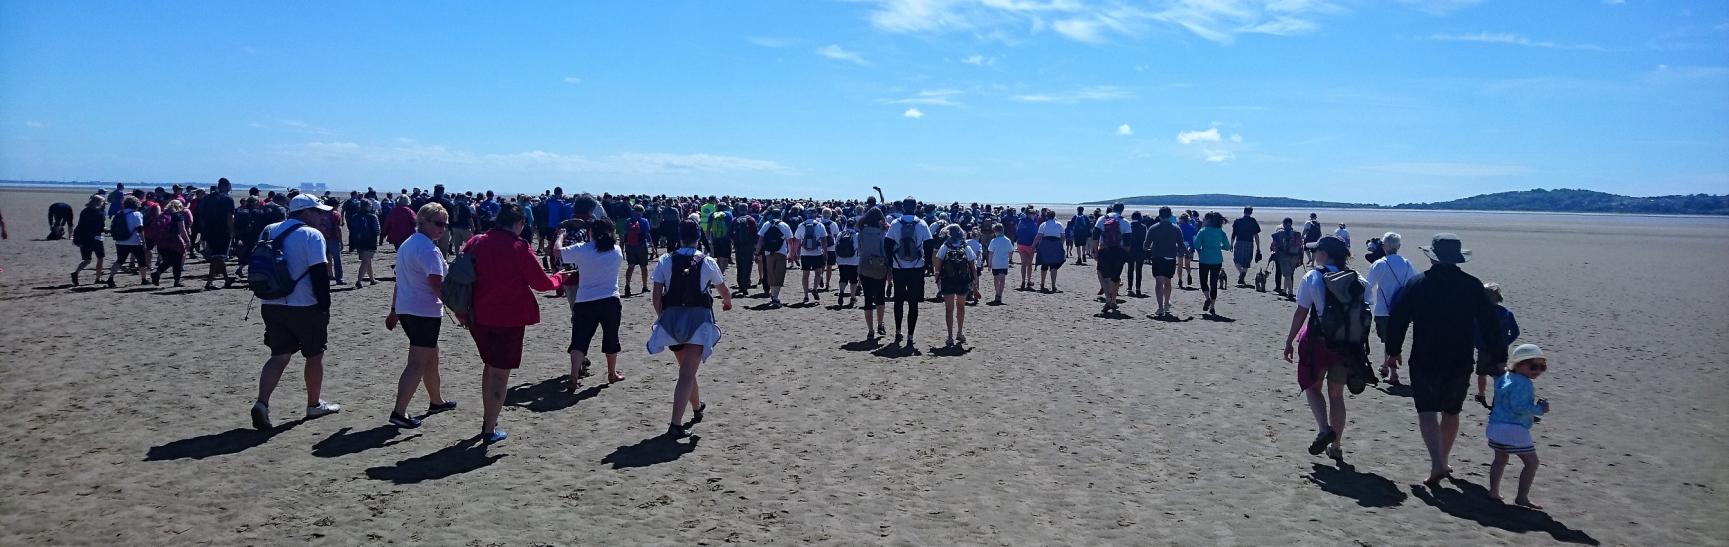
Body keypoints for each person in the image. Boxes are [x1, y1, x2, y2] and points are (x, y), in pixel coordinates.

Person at [1383, 233, 1507, 487]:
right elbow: (1490, 324)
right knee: (1451, 411)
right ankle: (1443, 459)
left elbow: (1398, 319)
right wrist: (1499, 357)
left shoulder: (1418, 284)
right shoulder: (1472, 285)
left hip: (1425, 356)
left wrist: (1393, 351)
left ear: (1433, 257)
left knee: (1427, 410)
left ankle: (1437, 463)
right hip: (1459, 357)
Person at [462, 203, 566, 443]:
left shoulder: (477, 241)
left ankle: (490, 417)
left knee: (489, 366)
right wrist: (560, 278)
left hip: (478, 315)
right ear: (518, 223)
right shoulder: (518, 246)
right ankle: (489, 428)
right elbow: (542, 284)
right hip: (507, 318)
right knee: (499, 372)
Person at [250, 194, 342, 430]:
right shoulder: (311, 235)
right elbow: (319, 274)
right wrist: (325, 306)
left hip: (271, 302)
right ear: (305, 213)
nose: (322, 217)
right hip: (305, 305)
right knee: (314, 355)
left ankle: (262, 403)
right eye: (318, 212)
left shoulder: (269, 230)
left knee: (279, 355)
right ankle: (313, 404)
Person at [647, 220, 733, 438]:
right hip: (698, 320)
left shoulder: (666, 260)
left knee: (687, 369)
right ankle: (675, 424)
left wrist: (662, 318)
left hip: (672, 320)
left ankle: (696, 407)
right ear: (698, 237)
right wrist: (727, 303)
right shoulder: (707, 261)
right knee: (687, 372)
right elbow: (723, 289)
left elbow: (656, 295)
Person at [1281, 235, 1361, 461]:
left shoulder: (1313, 276)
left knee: (1313, 388)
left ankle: (1324, 429)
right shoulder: (1355, 278)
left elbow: (1301, 312)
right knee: (1337, 395)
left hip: (1317, 340)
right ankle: (1336, 446)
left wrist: (1289, 341)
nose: (1314, 255)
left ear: (1323, 254)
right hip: (1345, 343)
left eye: (1316, 251)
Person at [384, 203, 457, 429]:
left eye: (445, 225)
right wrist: (458, 310)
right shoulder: (427, 249)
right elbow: (436, 284)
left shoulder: (408, 244)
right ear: (423, 221)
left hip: (409, 308)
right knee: (417, 362)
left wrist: (394, 310)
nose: (442, 229)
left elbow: (400, 280)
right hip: (423, 311)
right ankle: (399, 411)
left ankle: (436, 400)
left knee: (431, 355)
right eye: (437, 224)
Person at [559, 217, 628, 387]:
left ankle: (574, 376)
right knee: (611, 337)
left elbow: (557, 252)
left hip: (585, 300)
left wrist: (560, 235)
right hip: (610, 299)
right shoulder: (616, 250)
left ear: (591, 233)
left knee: (579, 339)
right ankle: (612, 373)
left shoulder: (583, 249)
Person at [1486, 343, 1551, 509]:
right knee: (1532, 463)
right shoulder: (1523, 383)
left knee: (1500, 459)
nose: (1537, 370)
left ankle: (1493, 491)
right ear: (1518, 365)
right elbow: (1519, 407)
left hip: (1496, 425)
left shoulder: (1505, 378)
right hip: (1513, 429)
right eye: (1533, 366)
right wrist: (1540, 409)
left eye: (1542, 367)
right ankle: (1522, 497)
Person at [1364, 232, 1417, 384]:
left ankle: (1392, 372)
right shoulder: (1407, 263)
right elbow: (1414, 283)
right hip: (1403, 309)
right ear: (1398, 246)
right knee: (1394, 339)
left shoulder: (1380, 264)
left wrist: (1365, 302)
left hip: (1383, 308)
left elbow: (1368, 286)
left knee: (1388, 339)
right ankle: (1386, 366)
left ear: (1384, 246)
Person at [885, 198, 932, 348]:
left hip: (899, 267)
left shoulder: (895, 223)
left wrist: (890, 262)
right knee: (913, 303)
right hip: (916, 267)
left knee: (898, 301)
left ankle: (898, 331)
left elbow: (887, 244)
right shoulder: (922, 224)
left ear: (904, 208)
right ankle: (910, 336)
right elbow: (929, 244)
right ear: (916, 207)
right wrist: (927, 264)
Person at [1474, 282, 1521, 408]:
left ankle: (1481, 393)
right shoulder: (1506, 312)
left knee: (1482, 373)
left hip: (1485, 350)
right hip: (1501, 349)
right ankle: (1498, 397)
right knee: (1500, 375)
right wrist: (1506, 342)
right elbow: (1515, 332)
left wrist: (1478, 344)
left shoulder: (1478, 314)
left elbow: (1474, 331)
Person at [935, 225, 977, 347]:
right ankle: (960, 332)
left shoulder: (944, 247)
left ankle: (949, 336)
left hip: (948, 281)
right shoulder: (966, 247)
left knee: (949, 309)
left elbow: (937, 267)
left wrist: (938, 281)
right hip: (963, 281)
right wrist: (975, 285)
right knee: (961, 307)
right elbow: (973, 268)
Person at [855, 207, 891, 338]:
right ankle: (880, 324)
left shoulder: (862, 232)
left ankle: (870, 330)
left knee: (867, 299)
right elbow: (885, 251)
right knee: (880, 297)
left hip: (864, 266)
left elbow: (860, 249)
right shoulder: (882, 233)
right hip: (879, 266)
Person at [1090, 203, 1132, 314]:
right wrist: (1125, 255)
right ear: (1122, 210)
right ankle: (1113, 300)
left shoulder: (1102, 219)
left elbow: (1095, 237)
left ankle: (1108, 297)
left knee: (1102, 274)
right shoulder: (1125, 222)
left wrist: (1095, 251)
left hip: (1104, 250)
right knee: (1116, 276)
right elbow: (1128, 242)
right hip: (1119, 251)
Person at [199, 178, 237, 290]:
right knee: (218, 256)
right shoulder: (228, 199)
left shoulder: (207, 198)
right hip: (222, 231)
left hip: (209, 230)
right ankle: (211, 282)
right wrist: (232, 231)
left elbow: (202, 217)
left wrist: (204, 232)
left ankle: (225, 280)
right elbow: (230, 217)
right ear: (226, 186)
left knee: (218, 256)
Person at [1146, 207, 1182, 318]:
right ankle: (1166, 303)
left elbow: (1146, 244)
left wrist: (1150, 248)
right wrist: (1187, 252)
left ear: (1159, 215)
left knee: (1158, 282)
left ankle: (1160, 307)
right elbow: (1181, 244)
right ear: (1170, 215)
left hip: (1158, 257)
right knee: (1168, 281)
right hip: (1170, 258)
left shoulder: (1153, 228)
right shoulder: (1176, 228)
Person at [105, 196, 148, 287]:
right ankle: (144, 279)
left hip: (120, 241)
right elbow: (140, 229)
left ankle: (110, 278)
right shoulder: (137, 214)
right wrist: (143, 242)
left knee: (120, 260)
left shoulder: (119, 213)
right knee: (141, 261)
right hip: (135, 241)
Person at [1193, 212, 1231, 315]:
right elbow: (1227, 246)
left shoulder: (1203, 231)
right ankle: (1212, 307)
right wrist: (1219, 247)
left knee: (1203, 281)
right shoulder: (1220, 232)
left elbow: (1196, 244)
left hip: (1204, 259)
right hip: (1217, 260)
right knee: (1213, 283)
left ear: (1208, 220)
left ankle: (1207, 298)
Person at [148, 200, 192, 287]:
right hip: (174, 240)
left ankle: (157, 273)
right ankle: (176, 281)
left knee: (168, 260)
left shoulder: (162, 215)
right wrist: (187, 240)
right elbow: (182, 230)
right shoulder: (178, 215)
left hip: (161, 241)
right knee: (177, 261)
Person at [755, 211, 794, 307]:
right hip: (781, 252)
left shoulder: (766, 224)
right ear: (780, 215)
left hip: (768, 252)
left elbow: (760, 239)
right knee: (779, 274)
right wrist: (791, 253)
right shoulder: (784, 225)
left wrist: (757, 253)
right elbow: (790, 241)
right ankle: (775, 296)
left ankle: (773, 294)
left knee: (770, 273)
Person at [71, 195, 108, 286]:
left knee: (86, 260)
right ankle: (98, 278)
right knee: (100, 258)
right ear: (99, 202)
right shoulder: (99, 213)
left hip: (83, 238)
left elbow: (81, 225)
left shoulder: (84, 211)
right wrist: (106, 230)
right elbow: (101, 227)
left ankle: (76, 273)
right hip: (96, 238)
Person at [796, 213, 830, 305]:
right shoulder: (820, 225)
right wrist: (825, 253)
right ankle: (815, 289)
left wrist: (796, 253)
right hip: (817, 252)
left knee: (805, 275)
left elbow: (797, 240)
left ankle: (806, 295)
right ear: (815, 215)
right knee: (818, 273)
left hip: (805, 253)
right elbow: (824, 241)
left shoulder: (801, 225)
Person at [621, 205, 654, 296]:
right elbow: (647, 234)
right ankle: (644, 286)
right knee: (643, 267)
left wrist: (623, 246)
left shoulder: (628, 221)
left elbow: (625, 234)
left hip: (630, 246)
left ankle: (627, 286)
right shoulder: (644, 221)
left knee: (630, 266)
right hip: (641, 246)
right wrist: (652, 246)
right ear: (642, 212)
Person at [349, 200, 381, 287]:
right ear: (368, 206)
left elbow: (352, 229)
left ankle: (372, 279)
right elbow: (378, 231)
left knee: (368, 261)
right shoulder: (372, 217)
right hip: (370, 242)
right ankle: (359, 281)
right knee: (366, 261)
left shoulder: (355, 216)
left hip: (359, 242)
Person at [1230, 206, 1262, 287]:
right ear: (1251, 212)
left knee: (1236, 260)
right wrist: (1258, 247)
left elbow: (1234, 234)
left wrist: (1231, 244)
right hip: (1249, 243)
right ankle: (1242, 274)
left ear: (1244, 211)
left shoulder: (1238, 221)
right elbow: (1256, 235)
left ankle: (1241, 274)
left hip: (1239, 242)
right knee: (1246, 261)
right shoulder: (1253, 221)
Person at [1269, 218, 1302, 296]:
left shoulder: (1279, 233)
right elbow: (1300, 246)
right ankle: (1284, 290)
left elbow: (1273, 244)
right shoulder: (1296, 233)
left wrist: (1272, 249)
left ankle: (1290, 292)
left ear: (1283, 224)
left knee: (1286, 275)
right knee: (1290, 274)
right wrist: (1300, 258)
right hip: (1294, 256)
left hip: (1283, 256)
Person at [1035, 211, 1066, 293]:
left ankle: (1042, 284)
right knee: (1054, 266)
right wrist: (1060, 245)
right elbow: (1063, 237)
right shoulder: (1059, 224)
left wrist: (1033, 245)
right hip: (1056, 245)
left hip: (1045, 245)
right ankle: (1053, 285)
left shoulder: (1043, 224)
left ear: (1047, 216)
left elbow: (1039, 236)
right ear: (1054, 216)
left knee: (1044, 265)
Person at [834, 219, 860, 307]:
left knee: (843, 278)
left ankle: (841, 291)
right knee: (853, 280)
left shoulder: (840, 234)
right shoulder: (856, 235)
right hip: (854, 261)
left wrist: (837, 258)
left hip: (841, 260)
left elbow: (836, 246)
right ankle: (852, 297)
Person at [985, 223, 1012, 304]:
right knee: (1002, 279)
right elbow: (1010, 252)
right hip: (1004, 263)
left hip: (995, 263)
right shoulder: (1007, 240)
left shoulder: (994, 241)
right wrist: (1009, 259)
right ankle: (1000, 294)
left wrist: (989, 264)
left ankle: (997, 293)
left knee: (996, 279)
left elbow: (990, 254)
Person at [1014, 207, 1039, 290]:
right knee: (1029, 264)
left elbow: (1017, 232)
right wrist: (1035, 245)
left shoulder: (1021, 221)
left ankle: (1023, 281)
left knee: (1023, 264)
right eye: (1033, 214)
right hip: (1029, 245)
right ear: (1030, 215)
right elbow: (1034, 235)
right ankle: (1028, 280)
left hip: (1020, 244)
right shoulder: (1032, 223)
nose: (1034, 216)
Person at [1177, 212, 1198, 289]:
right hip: (1189, 246)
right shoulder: (1191, 227)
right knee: (1187, 264)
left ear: (1182, 220)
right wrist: (1193, 247)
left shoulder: (1178, 227)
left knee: (1179, 265)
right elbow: (1194, 237)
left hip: (1180, 246)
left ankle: (1180, 279)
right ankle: (1189, 274)